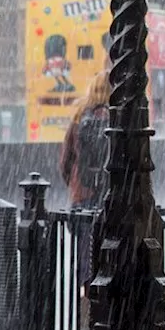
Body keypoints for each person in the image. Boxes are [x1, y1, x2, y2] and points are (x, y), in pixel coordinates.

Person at [58, 69, 111, 301]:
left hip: (83, 197)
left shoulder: (80, 117)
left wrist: (76, 184)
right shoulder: (117, 119)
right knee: (110, 254)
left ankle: (86, 307)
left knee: (85, 257)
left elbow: (65, 162)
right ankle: (108, 307)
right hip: (108, 197)